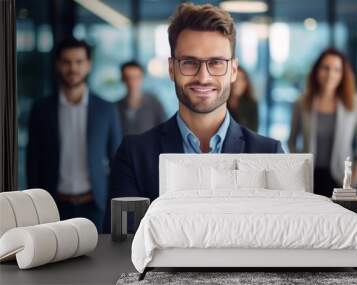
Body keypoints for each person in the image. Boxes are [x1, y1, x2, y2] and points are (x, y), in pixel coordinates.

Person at [103, 3, 284, 232]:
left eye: (216, 63)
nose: (203, 77)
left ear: (234, 71)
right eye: (189, 62)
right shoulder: (134, 155)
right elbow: (120, 249)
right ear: (172, 69)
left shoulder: (270, 155)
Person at [27, 38, 122, 231]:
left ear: (88, 65)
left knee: (99, 261)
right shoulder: (42, 109)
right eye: (66, 62)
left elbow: (117, 161)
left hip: (95, 206)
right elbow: (33, 162)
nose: (73, 68)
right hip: (53, 207)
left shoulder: (106, 109)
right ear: (57, 65)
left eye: (79, 62)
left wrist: (114, 205)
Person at [288, 48, 357, 197]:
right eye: (325, 68)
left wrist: (355, 175)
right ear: (317, 71)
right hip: (308, 179)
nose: (330, 74)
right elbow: (292, 140)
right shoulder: (302, 102)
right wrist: (297, 169)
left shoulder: (355, 103)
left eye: (337, 70)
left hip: (341, 180)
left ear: (343, 74)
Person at [117, 60, 166, 135]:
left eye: (136, 78)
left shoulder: (154, 104)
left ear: (142, 78)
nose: (132, 82)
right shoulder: (116, 107)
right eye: (128, 78)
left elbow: (165, 129)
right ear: (123, 80)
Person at [228, 66, 258, 131]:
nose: (237, 83)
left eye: (240, 80)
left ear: (246, 83)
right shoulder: (221, 104)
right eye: (234, 79)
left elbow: (253, 132)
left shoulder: (251, 104)